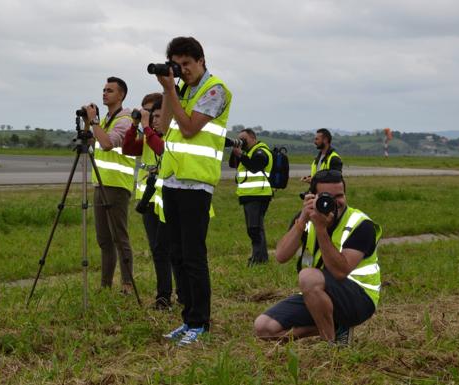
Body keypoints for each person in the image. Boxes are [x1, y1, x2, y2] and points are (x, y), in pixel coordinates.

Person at [154, 36, 232, 346]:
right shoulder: (181, 90)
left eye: (187, 64)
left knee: (194, 256)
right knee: (177, 254)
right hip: (173, 180)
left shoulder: (215, 90)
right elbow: (162, 128)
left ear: (201, 61)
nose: (182, 70)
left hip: (197, 184)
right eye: (178, 64)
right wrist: (167, 89)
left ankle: (200, 322)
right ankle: (187, 319)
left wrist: (172, 89)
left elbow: (188, 128)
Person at [254, 170, 381, 345]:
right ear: (312, 197)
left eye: (340, 195)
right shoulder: (306, 219)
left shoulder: (361, 224)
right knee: (264, 327)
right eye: (327, 196)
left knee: (308, 277)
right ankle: (336, 328)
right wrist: (303, 219)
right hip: (318, 293)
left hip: (359, 299)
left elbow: (340, 271)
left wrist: (321, 229)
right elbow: (281, 256)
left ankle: (332, 344)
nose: (335, 202)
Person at [122, 93, 179, 310]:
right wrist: (134, 124)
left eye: (155, 114)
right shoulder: (147, 135)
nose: (152, 118)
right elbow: (128, 148)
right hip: (148, 201)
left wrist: (145, 126)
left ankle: (174, 294)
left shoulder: (170, 136)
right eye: (147, 112)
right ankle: (163, 296)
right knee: (158, 250)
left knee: (171, 250)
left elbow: (160, 148)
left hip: (166, 199)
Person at [82, 77, 135, 294]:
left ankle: (127, 285)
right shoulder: (105, 120)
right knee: (104, 239)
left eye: (110, 90)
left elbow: (106, 144)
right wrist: (88, 123)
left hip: (117, 186)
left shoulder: (125, 120)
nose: (104, 93)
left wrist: (94, 123)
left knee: (119, 237)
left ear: (121, 95)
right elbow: (90, 143)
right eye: (103, 90)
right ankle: (105, 285)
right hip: (100, 184)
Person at [228, 128, 273, 266]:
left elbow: (254, 166)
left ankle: (258, 258)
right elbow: (231, 164)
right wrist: (236, 150)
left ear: (253, 138)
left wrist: (241, 155)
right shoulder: (247, 152)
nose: (242, 142)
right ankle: (260, 257)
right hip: (249, 195)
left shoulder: (261, 151)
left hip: (258, 195)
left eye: (244, 139)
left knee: (254, 228)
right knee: (255, 227)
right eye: (239, 139)